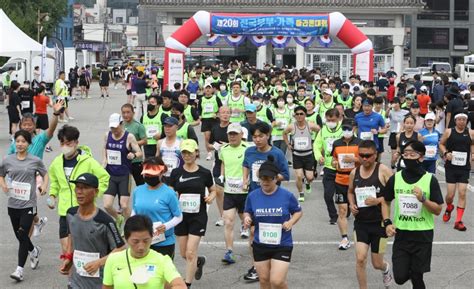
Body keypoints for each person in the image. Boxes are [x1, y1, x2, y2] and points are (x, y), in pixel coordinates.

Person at [382, 140, 443, 289]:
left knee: (417, 276)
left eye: (412, 154)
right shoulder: (395, 178)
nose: (408, 157)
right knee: (400, 277)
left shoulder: (430, 180)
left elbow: (438, 210)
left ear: (421, 157)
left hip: (423, 235)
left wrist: (423, 199)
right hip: (402, 234)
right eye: (405, 154)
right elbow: (385, 201)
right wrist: (387, 222)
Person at [48, 125, 110, 261]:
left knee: (82, 250)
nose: (65, 146)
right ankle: (71, 281)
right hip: (65, 213)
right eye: (62, 143)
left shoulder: (88, 162)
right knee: (67, 251)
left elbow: (104, 178)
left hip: (84, 212)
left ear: (76, 142)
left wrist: (94, 195)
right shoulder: (56, 163)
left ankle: (81, 278)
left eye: (68, 143)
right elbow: (55, 182)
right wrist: (52, 195)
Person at [243, 157, 302, 289]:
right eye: (262, 178)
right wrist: (247, 219)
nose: (265, 182)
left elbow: (298, 211)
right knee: (264, 280)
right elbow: (247, 211)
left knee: (277, 281)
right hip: (260, 244)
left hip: (282, 244)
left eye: (269, 178)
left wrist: (291, 221)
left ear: (276, 178)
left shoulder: (287, 196)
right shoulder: (253, 196)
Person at [59, 173, 125, 288]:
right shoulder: (71, 214)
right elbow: (71, 235)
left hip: (99, 284)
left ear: (96, 192)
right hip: (75, 282)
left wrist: (98, 263)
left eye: (84, 188)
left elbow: (121, 249)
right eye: (78, 187)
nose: (79, 192)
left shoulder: (105, 221)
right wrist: (69, 258)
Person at [242, 122, 290, 281]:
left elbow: (286, 174)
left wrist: (270, 178)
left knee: (270, 232)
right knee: (253, 232)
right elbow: (245, 165)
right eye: (254, 137)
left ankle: (274, 262)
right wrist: (245, 179)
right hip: (254, 198)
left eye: (260, 136)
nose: (257, 140)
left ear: (268, 135)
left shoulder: (277, 153)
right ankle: (256, 265)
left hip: (273, 199)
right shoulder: (249, 152)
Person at [0, 130, 48, 282]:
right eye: (18, 141)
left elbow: (45, 174)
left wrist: (44, 186)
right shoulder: (7, 159)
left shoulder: (35, 160)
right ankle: (34, 251)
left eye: (23, 141)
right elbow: (1, 174)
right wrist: (3, 185)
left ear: (28, 143)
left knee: (23, 233)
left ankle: (19, 270)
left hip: (29, 203)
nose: (20, 144)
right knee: (19, 236)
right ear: (14, 142)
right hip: (13, 203)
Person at [169, 139, 216, 288]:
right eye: (184, 152)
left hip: (198, 217)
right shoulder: (176, 173)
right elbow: (170, 191)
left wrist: (210, 197)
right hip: (181, 217)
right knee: (184, 253)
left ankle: (187, 284)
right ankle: (199, 262)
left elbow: (214, 189)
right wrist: (172, 197)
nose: (187, 155)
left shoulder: (204, 173)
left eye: (189, 152)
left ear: (196, 153)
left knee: (190, 252)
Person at [347, 140, 393, 289]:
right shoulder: (354, 172)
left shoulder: (384, 171)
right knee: (360, 259)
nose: (364, 159)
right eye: (361, 155)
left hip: (379, 224)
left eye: (368, 155)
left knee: (376, 263)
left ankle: (386, 269)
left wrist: (377, 200)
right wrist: (351, 204)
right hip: (361, 223)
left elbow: (394, 194)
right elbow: (350, 191)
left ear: (375, 155)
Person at [102, 215, 187, 289]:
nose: (141, 247)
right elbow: (107, 287)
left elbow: (180, 286)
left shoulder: (162, 260)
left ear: (152, 237)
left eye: (146, 241)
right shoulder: (113, 259)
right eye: (135, 241)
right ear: (126, 239)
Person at [131, 156, 183, 259]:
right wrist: (131, 224)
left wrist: (166, 226)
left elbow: (178, 216)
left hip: (164, 243)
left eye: (153, 174)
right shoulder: (138, 191)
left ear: (161, 172)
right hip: (142, 242)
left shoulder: (169, 193)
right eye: (147, 174)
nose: (150, 177)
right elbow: (135, 211)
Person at [103, 113, 143, 231]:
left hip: (124, 175)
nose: (114, 130)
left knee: (124, 205)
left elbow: (140, 152)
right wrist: (104, 160)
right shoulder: (107, 135)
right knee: (107, 205)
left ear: (121, 124)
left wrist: (134, 154)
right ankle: (118, 218)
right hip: (110, 174)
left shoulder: (129, 137)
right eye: (112, 127)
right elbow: (105, 148)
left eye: (116, 127)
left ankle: (129, 227)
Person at [219, 123, 249, 263]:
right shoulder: (223, 149)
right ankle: (229, 251)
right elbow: (223, 164)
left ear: (241, 135)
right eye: (230, 134)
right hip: (229, 192)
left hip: (245, 193)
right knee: (228, 222)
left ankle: (258, 251)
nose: (232, 136)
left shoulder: (249, 148)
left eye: (235, 134)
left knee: (249, 223)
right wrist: (221, 176)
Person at [439, 111, 474, 231]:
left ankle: (458, 221)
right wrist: (445, 153)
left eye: (464, 120)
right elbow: (441, 144)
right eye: (459, 119)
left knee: (463, 193)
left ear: (466, 121)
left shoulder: (470, 132)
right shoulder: (449, 131)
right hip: (451, 167)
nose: (462, 122)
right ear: (455, 120)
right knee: (450, 195)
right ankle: (449, 207)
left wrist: (473, 153)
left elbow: (472, 144)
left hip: (464, 167)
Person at [331, 119, 361, 250]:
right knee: (342, 210)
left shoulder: (360, 143)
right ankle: (344, 238)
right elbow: (333, 159)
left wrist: (354, 159)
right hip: (340, 180)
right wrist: (334, 163)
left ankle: (361, 235)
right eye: (344, 129)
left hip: (357, 180)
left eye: (349, 129)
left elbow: (368, 160)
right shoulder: (337, 144)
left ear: (354, 129)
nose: (346, 132)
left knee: (358, 210)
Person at [283, 106, 319, 202]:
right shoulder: (291, 126)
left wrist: (316, 143)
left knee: (310, 177)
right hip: (297, 155)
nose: (299, 116)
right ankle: (301, 193)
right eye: (297, 114)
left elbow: (320, 130)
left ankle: (307, 182)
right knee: (299, 176)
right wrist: (288, 144)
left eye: (301, 114)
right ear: (294, 115)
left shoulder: (310, 125)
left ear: (305, 115)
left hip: (308, 155)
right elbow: (284, 133)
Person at [314, 108, 343, 225]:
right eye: (328, 119)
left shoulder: (344, 130)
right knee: (328, 195)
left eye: (333, 120)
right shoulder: (322, 131)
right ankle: (333, 215)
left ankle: (346, 211)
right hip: (328, 168)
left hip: (343, 168)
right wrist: (318, 157)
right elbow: (316, 145)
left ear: (338, 119)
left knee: (343, 195)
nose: (330, 121)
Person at [208, 106, 232, 226]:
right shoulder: (215, 128)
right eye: (223, 113)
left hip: (232, 163)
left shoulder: (233, 128)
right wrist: (215, 146)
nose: (225, 115)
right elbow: (209, 144)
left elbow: (242, 142)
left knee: (233, 190)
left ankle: (236, 214)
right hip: (218, 162)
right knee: (218, 190)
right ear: (218, 114)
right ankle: (222, 215)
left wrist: (227, 145)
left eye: (228, 113)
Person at [121, 103, 147, 186]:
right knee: (123, 185)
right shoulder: (120, 126)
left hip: (136, 160)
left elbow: (145, 141)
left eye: (128, 112)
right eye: (123, 113)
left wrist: (132, 144)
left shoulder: (138, 126)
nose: (126, 115)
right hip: (123, 160)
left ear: (133, 113)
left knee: (140, 184)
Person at [198, 83, 222, 161]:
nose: (208, 90)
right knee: (207, 137)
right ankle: (209, 153)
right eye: (206, 88)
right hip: (205, 120)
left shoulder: (216, 98)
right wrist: (200, 116)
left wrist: (217, 114)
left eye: (209, 88)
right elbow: (199, 110)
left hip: (214, 120)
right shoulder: (201, 99)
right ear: (204, 90)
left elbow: (221, 108)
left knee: (216, 137)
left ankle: (218, 151)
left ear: (212, 90)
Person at [156, 116, 184, 184]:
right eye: (165, 126)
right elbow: (157, 159)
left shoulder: (182, 142)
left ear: (177, 127)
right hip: (163, 177)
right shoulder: (160, 142)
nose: (167, 129)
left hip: (178, 177)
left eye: (170, 126)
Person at [387, 98, 409, 170]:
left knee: (401, 153)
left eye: (396, 103)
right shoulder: (391, 112)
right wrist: (389, 107)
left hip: (403, 134)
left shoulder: (405, 112)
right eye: (393, 103)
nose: (395, 104)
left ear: (399, 103)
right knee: (394, 155)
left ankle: (400, 168)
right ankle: (392, 165)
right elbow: (386, 115)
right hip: (394, 134)